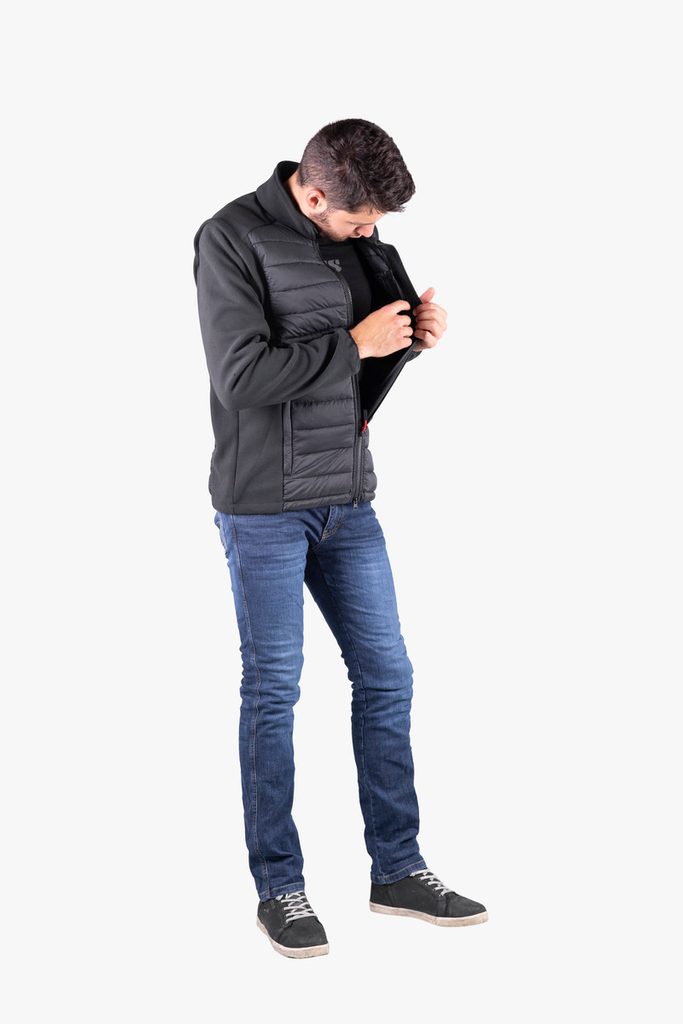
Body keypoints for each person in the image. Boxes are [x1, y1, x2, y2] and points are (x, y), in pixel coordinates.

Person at [193, 118, 488, 958]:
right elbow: (240, 377)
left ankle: (397, 869)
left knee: (388, 678)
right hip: (263, 506)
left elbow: (355, 372)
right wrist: (354, 342)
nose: (370, 235)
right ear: (314, 194)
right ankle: (279, 887)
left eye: (377, 225)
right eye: (360, 221)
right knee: (273, 692)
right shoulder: (229, 238)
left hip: (347, 500)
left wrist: (408, 341)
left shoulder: (355, 240)